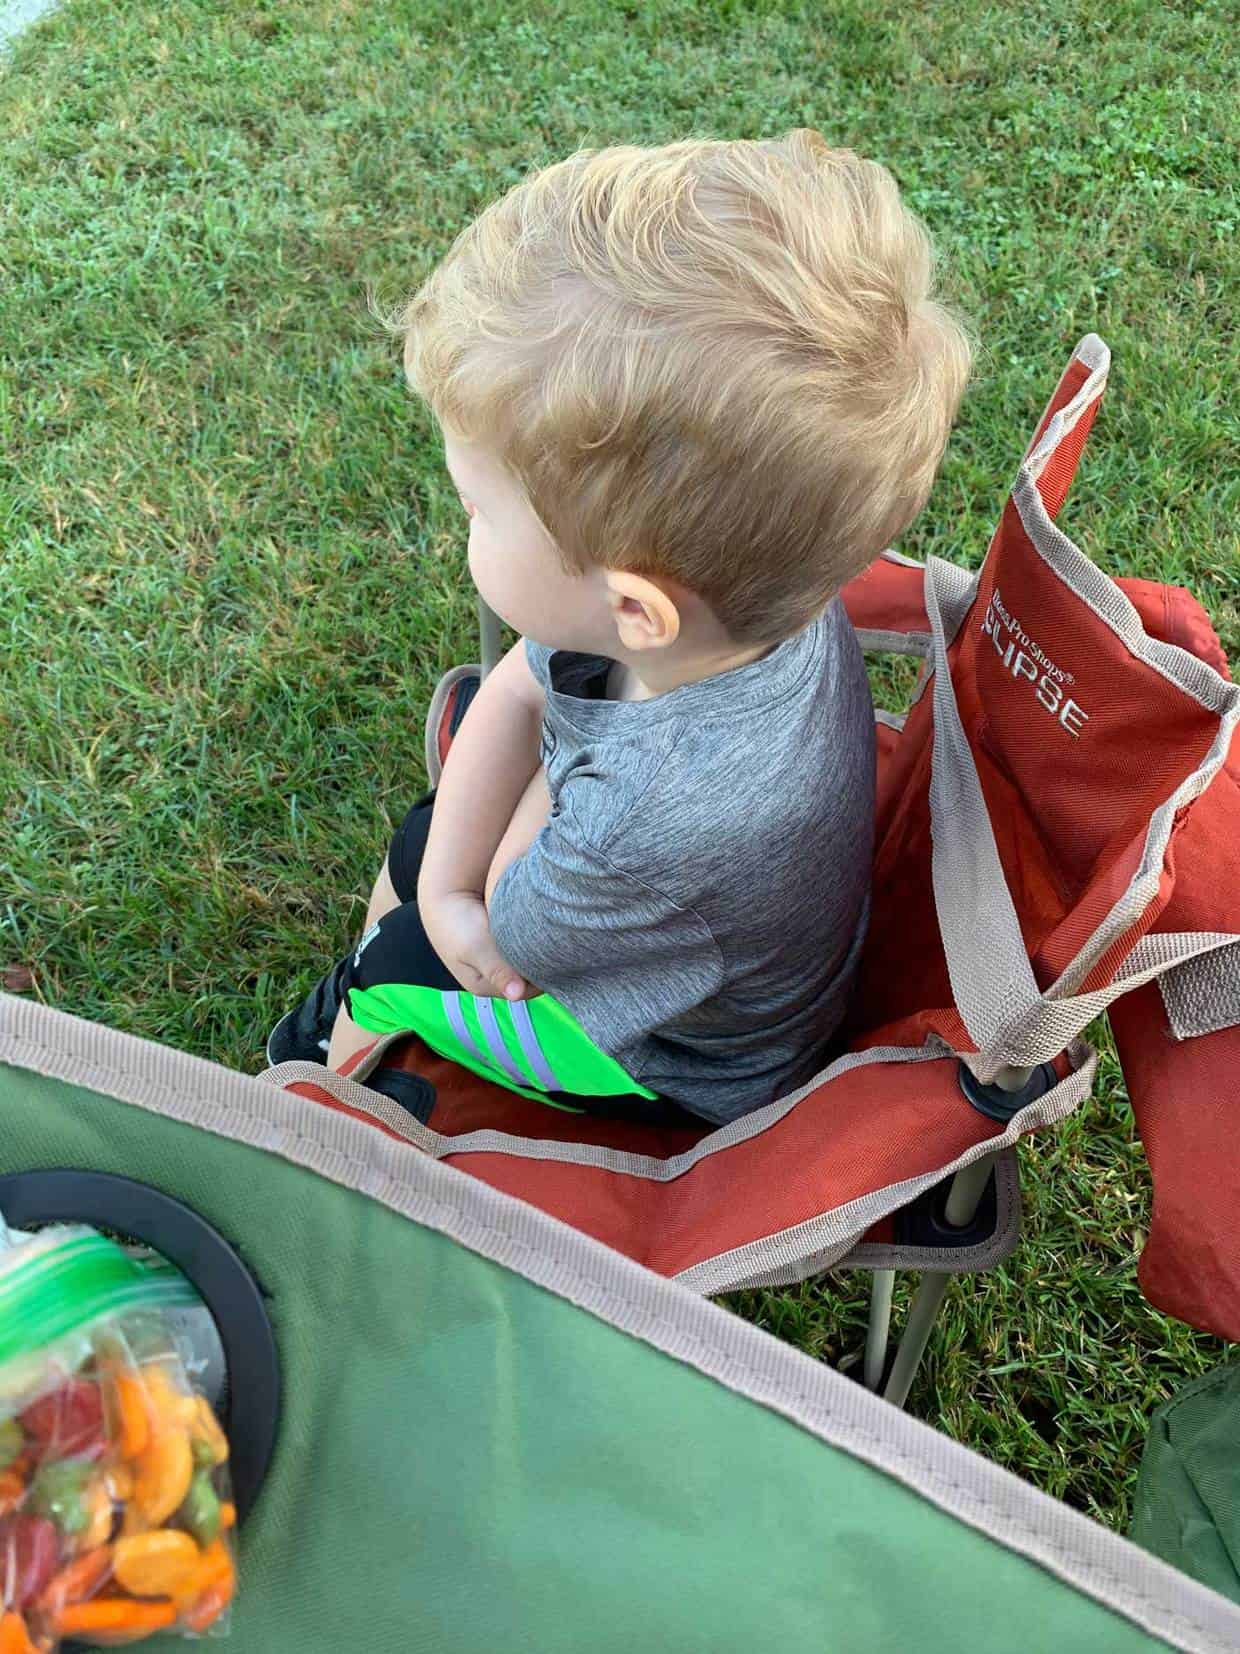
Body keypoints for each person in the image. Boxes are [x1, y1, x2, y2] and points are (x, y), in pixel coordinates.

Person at [267, 131, 971, 1126]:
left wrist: (448, 907)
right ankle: (388, 953)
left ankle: (316, 1101)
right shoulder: (729, 610)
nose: (461, 518)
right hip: (665, 922)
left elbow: (501, 943)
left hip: (674, 1061)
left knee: (392, 964)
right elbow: (520, 682)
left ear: (633, 607)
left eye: (479, 507)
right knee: (432, 850)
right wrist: (450, 885)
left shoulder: (650, 827)